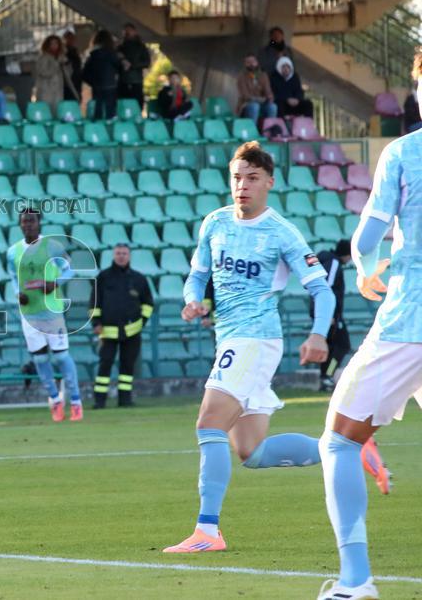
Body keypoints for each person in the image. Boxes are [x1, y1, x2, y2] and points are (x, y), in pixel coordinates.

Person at [163, 141, 379, 555]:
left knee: (209, 423)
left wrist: (318, 334)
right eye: (237, 178)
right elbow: (197, 274)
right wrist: (192, 299)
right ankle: (346, 447)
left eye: (252, 179)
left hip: (255, 338)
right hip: (229, 337)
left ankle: (208, 531)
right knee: (251, 452)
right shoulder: (215, 223)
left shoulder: (281, 231)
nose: (242, 186)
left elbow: (324, 291)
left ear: (269, 183)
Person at [315, 56, 422, 600]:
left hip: (411, 319)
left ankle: (356, 582)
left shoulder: (403, 153)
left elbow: (367, 236)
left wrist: (362, 268)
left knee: (338, 440)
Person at [7, 209, 82, 422]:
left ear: (39, 223)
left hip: (52, 311)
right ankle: (55, 401)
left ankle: (76, 402)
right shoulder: (13, 252)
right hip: (29, 313)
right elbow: (13, 276)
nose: (28, 224)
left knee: (60, 356)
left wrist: (55, 283)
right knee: (39, 358)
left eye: (32, 221)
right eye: (24, 221)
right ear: (20, 225)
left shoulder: (52, 246)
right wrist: (17, 293)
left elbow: (69, 270)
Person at [91, 243, 154, 409]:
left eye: (124, 253)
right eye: (118, 253)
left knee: (127, 366)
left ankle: (125, 400)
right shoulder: (103, 277)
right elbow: (94, 302)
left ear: (129, 256)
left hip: (132, 331)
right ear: (113, 255)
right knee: (105, 365)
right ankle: (99, 401)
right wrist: (96, 323)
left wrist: (142, 322)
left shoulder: (139, 279)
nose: (121, 256)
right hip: (107, 331)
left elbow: (148, 304)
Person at [313, 239, 352, 393]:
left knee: (329, 346)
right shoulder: (334, 263)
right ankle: (327, 375)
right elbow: (326, 287)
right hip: (330, 314)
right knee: (343, 345)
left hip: (325, 312)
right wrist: (328, 313)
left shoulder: (326, 259)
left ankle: (325, 378)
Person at [82, 30, 121, 121]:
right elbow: (119, 67)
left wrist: (93, 82)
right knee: (110, 111)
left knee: (98, 109)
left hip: (97, 86)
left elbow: (84, 73)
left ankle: (98, 128)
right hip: (111, 85)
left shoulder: (93, 55)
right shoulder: (112, 54)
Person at [34, 35, 75, 113]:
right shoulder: (43, 57)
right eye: (52, 44)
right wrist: (57, 64)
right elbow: (44, 72)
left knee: (58, 112)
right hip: (46, 91)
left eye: (56, 43)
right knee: (46, 112)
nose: (54, 46)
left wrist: (67, 65)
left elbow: (68, 75)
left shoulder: (61, 57)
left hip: (58, 91)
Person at [117, 22, 150, 111]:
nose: (127, 33)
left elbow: (146, 62)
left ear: (134, 32)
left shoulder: (141, 47)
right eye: (125, 31)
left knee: (137, 104)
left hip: (136, 80)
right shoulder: (120, 47)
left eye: (129, 31)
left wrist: (132, 65)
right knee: (123, 104)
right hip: (123, 80)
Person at [236, 54, 277, 122]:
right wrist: (259, 99)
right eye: (248, 62)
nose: (251, 64)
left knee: (273, 106)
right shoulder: (241, 76)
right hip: (246, 104)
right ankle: (253, 130)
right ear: (245, 64)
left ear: (257, 62)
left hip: (262, 104)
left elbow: (268, 91)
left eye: (253, 61)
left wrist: (270, 97)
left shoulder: (263, 75)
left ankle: (269, 129)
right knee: (254, 106)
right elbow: (245, 95)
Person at [62, 30, 82, 101]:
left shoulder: (74, 50)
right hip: (68, 81)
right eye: (69, 38)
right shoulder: (63, 51)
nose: (71, 41)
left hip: (76, 79)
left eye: (72, 38)